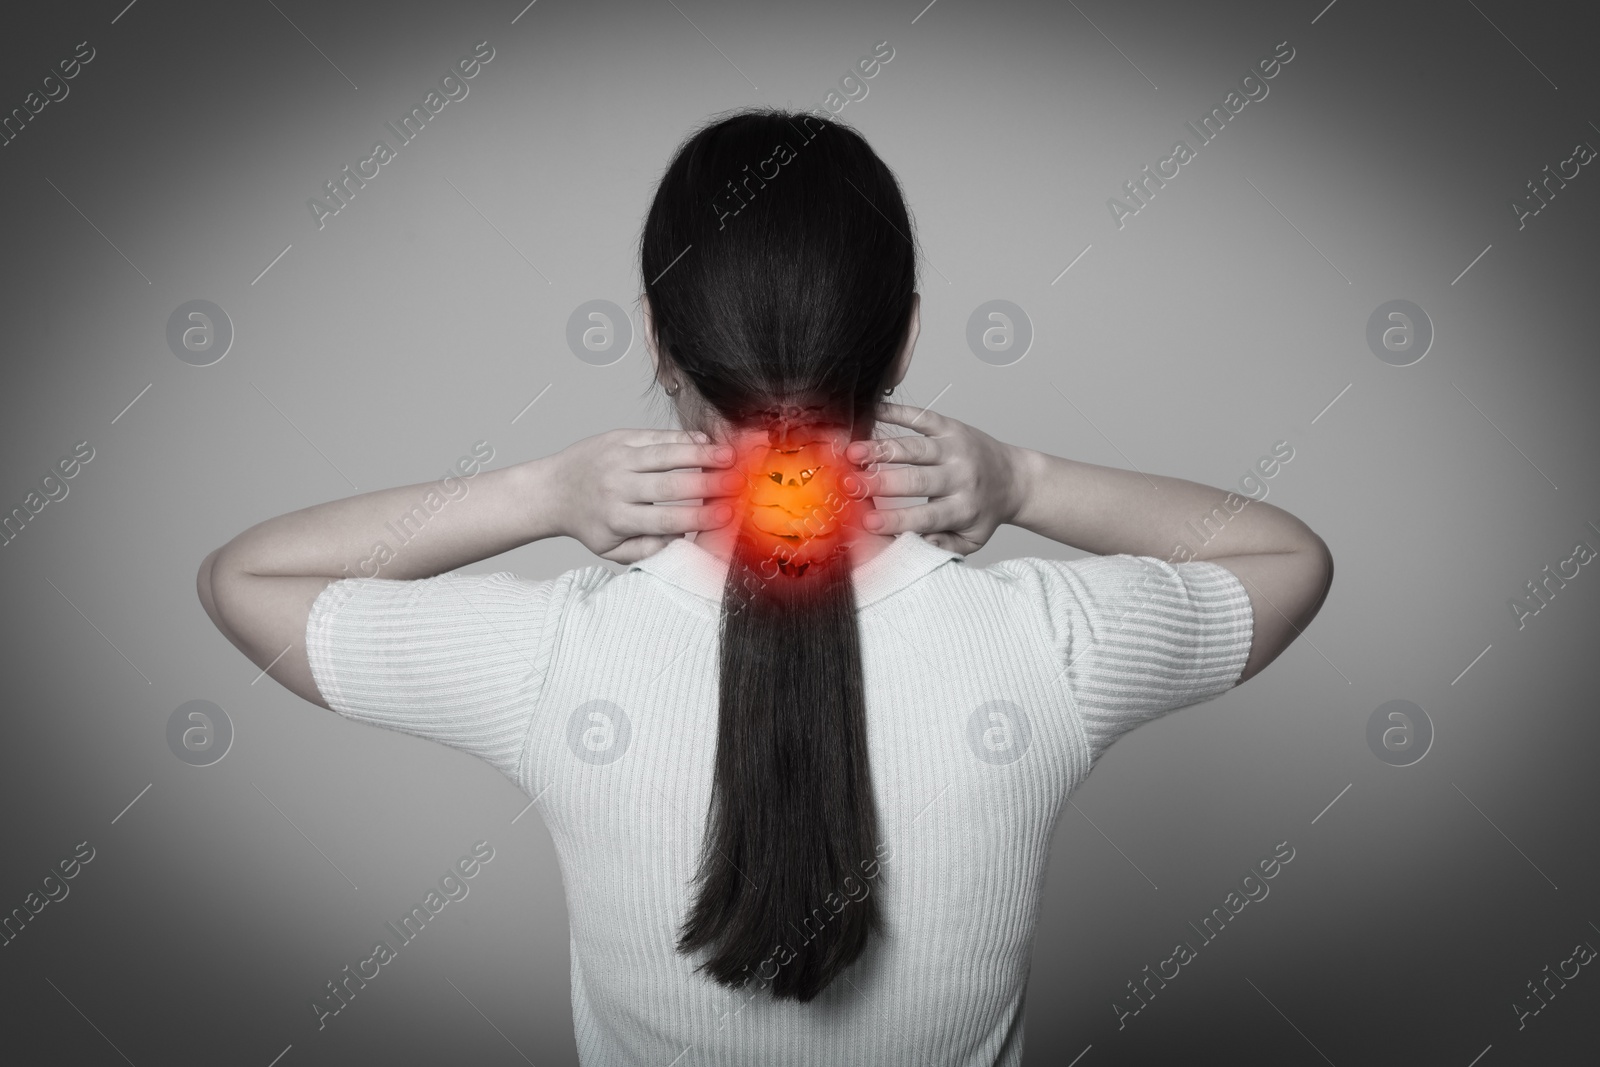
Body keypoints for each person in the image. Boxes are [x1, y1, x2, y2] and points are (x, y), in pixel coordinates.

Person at [197, 108, 1332, 1066]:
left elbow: (245, 576)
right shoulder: (1046, 643)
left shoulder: (554, 660)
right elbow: (1286, 559)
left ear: (656, 340)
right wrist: (1025, 477)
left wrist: (539, 491)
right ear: (901, 347)